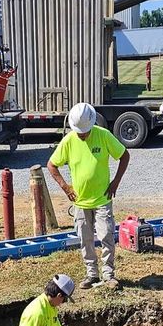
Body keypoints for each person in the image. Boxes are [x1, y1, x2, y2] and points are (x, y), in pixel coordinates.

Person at [47, 103, 130, 291]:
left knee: (106, 235)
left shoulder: (103, 135)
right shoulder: (68, 141)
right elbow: (52, 165)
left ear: (91, 125)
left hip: (102, 199)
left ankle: (108, 275)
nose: (82, 135)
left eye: (84, 132)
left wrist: (115, 182)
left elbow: (124, 156)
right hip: (81, 201)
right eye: (79, 132)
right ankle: (92, 274)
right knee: (85, 238)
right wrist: (66, 187)